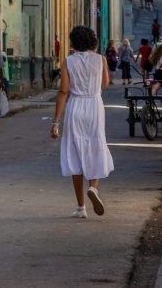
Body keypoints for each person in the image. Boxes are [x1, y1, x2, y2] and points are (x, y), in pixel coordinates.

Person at [51, 25, 114, 218]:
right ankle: (93, 188)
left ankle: (81, 208)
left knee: (75, 153)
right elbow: (104, 84)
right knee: (95, 146)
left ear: (73, 42)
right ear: (92, 42)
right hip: (95, 106)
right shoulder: (100, 59)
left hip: (75, 106)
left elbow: (63, 91)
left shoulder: (68, 61)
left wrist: (55, 123)